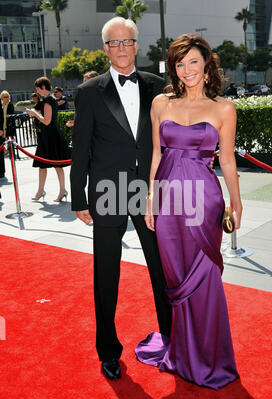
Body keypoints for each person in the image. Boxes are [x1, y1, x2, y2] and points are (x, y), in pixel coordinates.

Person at [135, 34, 243, 390]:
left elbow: (226, 160)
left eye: (193, 62)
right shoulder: (161, 103)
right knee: (176, 279)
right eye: (179, 64)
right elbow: (155, 154)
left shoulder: (224, 108)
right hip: (166, 199)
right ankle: (182, 354)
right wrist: (149, 199)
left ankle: (211, 358)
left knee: (204, 279)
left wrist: (236, 201)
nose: (187, 70)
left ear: (207, 63)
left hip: (203, 202)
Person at [70, 17, 172, 380]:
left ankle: (173, 340)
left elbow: (168, 142)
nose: (121, 48)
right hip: (106, 192)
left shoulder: (159, 88)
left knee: (162, 270)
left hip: (148, 192)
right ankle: (108, 350)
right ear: (105, 49)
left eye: (127, 41)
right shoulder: (89, 92)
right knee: (106, 274)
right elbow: (80, 147)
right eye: (114, 43)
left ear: (137, 44)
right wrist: (78, 197)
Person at [26, 77, 71, 202]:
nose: (37, 91)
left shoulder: (47, 101)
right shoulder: (50, 99)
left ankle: (59, 191)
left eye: (38, 88)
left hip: (49, 136)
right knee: (45, 165)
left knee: (53, 165)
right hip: (50, 135)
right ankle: (45, 191)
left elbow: (46, 121)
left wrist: (34, 114)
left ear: (43, 87)